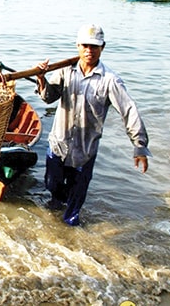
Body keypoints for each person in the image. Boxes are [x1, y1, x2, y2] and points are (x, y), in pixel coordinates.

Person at [35, 24, 150, 226]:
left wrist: (139, 145)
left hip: (84, 151)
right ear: (77, 46)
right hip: (58, 145)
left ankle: (71, 235)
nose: (89, 51)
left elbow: (128, 110)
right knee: (52, 185)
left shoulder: (110, 80)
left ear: (102, 48)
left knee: (74, 206)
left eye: (94, 46)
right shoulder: (65, 71)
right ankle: (55, 210)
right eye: (85, 46)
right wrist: (41, 78)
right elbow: (48, 98)